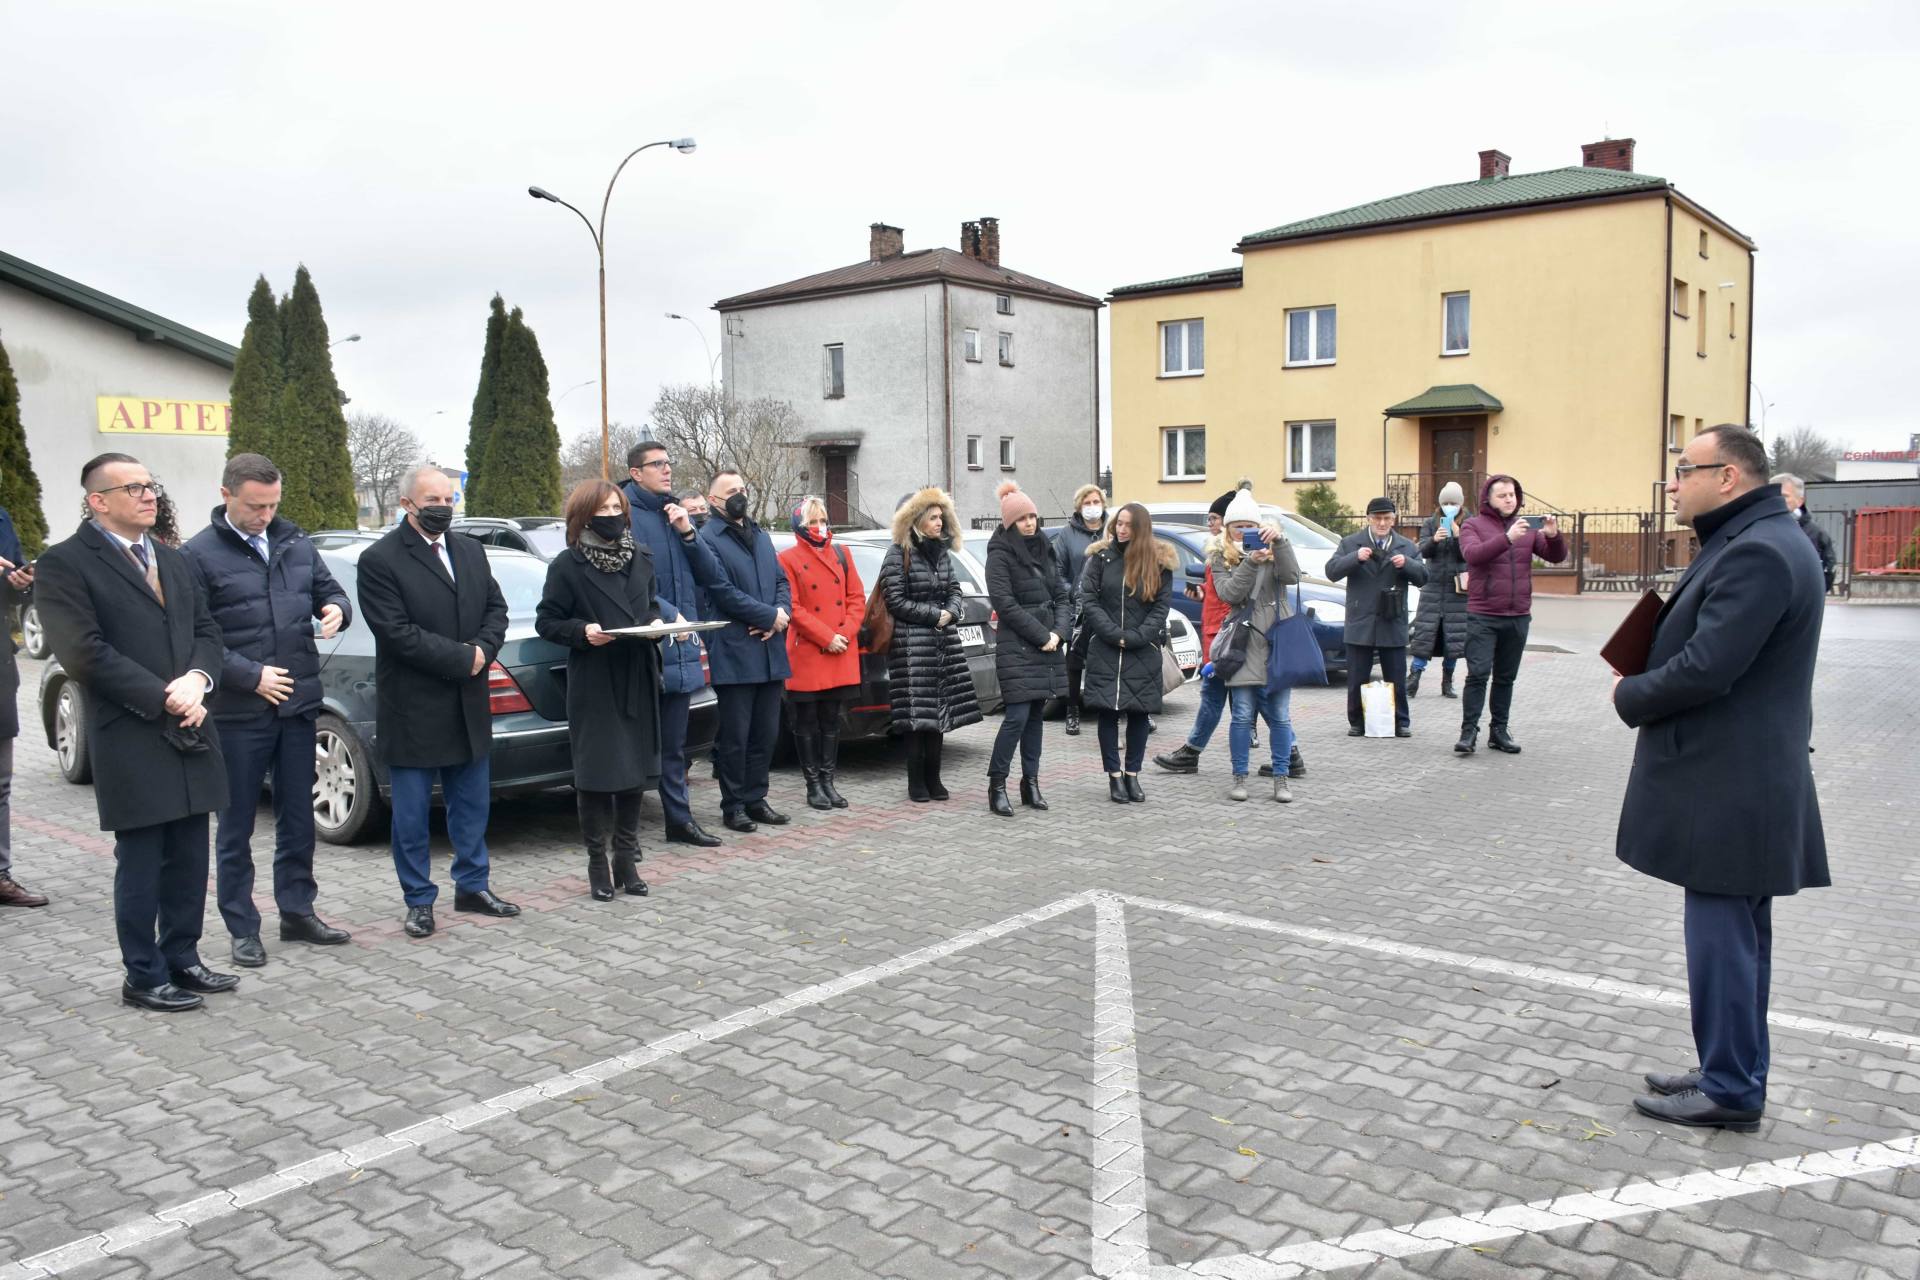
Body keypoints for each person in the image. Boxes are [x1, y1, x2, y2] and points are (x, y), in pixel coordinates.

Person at [1614, 424, 1828, 1132]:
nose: (1674, 484)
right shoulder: (1756, 538)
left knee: (1723, 941)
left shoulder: (1761, 550)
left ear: (1728, 477)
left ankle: (1732, 1089)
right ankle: (1727, 1066)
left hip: (1729, 783)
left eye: (1683, 469)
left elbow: (1710, 667)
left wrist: (1630, 694)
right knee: (1737, 939)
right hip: (1738, 777)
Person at [36, 454, 234, 1010]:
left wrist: (198, 680)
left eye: (151, 486)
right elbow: (83, 651)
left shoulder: (172, 560)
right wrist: (164, 696)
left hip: (191, 725)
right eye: (134, 488)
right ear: (98, 501)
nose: (150, 496)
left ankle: (183, 957)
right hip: (132, 730)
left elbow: (207, 629)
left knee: (191, 854)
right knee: (143, 858)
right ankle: (142, 976)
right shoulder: (65, 564)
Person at [182, 453, 353, 967]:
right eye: (256, 506)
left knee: (299, 818)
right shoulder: (198, 555)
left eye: (273, 505)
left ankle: (298, 912)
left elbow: (332, 591)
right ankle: (241, 926)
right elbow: (197, 635)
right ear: (226, 494)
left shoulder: (296, 542)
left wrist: (336, 609)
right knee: (235, 825)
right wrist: (249, 676)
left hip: (299, 705)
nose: (265, 515)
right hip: (238, 713)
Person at [355, 466, 518, 937]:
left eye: (449, 500)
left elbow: (496, 609)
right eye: (433, 500)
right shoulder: (380, 559)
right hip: (415, 705)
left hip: (467, 700)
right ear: (406, 504)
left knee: (471, 804)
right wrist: (462, 657)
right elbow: (396, 633)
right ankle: (419, 899)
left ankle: (473, 886)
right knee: (410, 814)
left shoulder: (468, 551)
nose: (443, 508)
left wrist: (483, 652)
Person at [536, 480, 663, 901]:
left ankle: (626, 859)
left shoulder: (642, 557)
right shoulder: (567, 565)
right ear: (585, 515)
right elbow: (547, 620)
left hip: (636, 673)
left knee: (633, 773)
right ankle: (597, 863)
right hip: (595, 679)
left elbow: (652, 606)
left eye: (618, 507)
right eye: (604, 508)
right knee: (595, 776)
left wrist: (659, 626)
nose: (612, 515)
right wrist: (582, 631)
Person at [621, 442, 725, 848]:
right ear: (636, 472)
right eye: (657, 464)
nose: (667, 470)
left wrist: (687, 532)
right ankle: (625, 837)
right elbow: (627, 582)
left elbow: (710, 575)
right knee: (634, 745)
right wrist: (665, 616)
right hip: (644, 645)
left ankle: (679, 821)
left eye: (669, 463)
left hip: (680, 646)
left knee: (675, 745)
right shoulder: (623, 514)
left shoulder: (674, 513)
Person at [697, 470, 792, 833]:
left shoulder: (761, 535)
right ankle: (733, 804)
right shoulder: (708, 539)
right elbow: (721, 591)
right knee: (735, 736)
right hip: (736, 651)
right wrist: (768, 615)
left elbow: (781, 581)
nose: (739, 495)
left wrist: (780, 616)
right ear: (714, 501)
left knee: (765, 734)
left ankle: (756, 798)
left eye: (742, 489)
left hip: (770, 650)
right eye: (731, 491)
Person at [1454, 475, 1567, 755]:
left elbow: (1556, 557)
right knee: (1478, 674)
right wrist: (1506, 539)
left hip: (1517, 615)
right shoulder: (1473, 525)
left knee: (1506, 678)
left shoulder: (1527, 528)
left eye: (1512, 495)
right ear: (1488, 499)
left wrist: (1553, 536)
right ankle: (1469, 732)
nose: (1508, 499)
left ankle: (1499, 731)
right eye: (1502, 495)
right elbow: (1472, 555)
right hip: (1483, 614)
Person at [882, 487, 982, 801]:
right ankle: (916, 782)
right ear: (917, 519)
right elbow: (895, 600)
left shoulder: (940, 551)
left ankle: (934, 779)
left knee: (939, 714)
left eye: (942, 516)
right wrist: (933, 615)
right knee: (916, 717)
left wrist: (950, 611)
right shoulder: (898, 552)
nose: (939, 522)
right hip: (911, 647)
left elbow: (954, 588)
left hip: (942, 643)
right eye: (933, 517)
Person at [1206, 489, 1302, 801]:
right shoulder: (1220, 556)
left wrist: (1280, 543)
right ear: (1228, 528)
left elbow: (1292, 576)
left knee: (1280, 716)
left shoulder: (1275, 547)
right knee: (1243, 714)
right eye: (1238, 526)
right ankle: (1239, 777)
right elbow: (1230, 594)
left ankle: (1281, 778)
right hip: (1243, 643)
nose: (1245, 532)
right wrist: (1251, 563)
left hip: (1276, 642)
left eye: (1251, 526)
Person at [983, 481, 1071, 816]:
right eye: (1022, 518)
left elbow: (1062, 596)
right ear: (1009, 522)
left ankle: (1030, 782)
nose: (1030, 523)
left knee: (1035, 717)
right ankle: (997, 783)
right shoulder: (1000, 555)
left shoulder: (1046, 549)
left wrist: (1060, 632)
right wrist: (1042, 635)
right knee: (1017, 717)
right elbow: (1005, 604)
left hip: (1047, 646)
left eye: (1033, 516)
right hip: (1017, 647)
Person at [1079, 503, 1175, 803]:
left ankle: (1133, 775)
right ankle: (1114, 776)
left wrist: (1135, 637)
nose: (1120, 529)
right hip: (1105, 648)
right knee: (1107, 714)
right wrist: (1113, 634)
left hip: (1142, 650)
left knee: (1138, 714)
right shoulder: (1101, 557)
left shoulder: (1159, 563)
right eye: (1118, 523)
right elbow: (1088, 598)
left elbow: (1161, 607)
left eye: (1128, 525)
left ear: (1140, 529)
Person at [777, 496, 864, 811]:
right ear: (800, 525)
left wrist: (844, 633)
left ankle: (828, 780)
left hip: (840, 648)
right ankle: (812, 784)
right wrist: (826, 637)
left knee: (831, 719)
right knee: (806, 721)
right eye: (812, 522)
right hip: (809, 651)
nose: (819, 527)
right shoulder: (787, 558)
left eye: (822, 520)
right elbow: (794, 607)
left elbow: (856, 597)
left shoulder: (843, 552)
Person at [1326, 498, 1427, 738]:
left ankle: (1400, 721)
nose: (1382, 523)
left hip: (1392, 621)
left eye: (1387, 519)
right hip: (1360, 621)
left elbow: (1424, 577)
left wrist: (1408, 564)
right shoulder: (1351, 543)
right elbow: (1331, 571)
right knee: (1357, 677)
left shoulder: (1405, 546)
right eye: (1377, 518)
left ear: (1394, 520)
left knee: (1396, 677)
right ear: (1369, 519)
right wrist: (1355, 558)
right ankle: (1357, 722)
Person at [0, 502, 47, 907]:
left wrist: (18, 581)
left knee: (0, 782)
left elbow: (12, 587)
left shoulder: (1, 515)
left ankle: (0, 876)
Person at [1050, 483, 1107, 736]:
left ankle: (1125, 710)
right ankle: (1072, 711)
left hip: (1109, 608)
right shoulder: (1067, 535)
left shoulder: (1113, 528)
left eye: (1096, 502)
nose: (1092, 507)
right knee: (1074, 661)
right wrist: (1071, 592)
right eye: (1087, 503)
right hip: (1078, 609)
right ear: (1079, 507)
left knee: (1111, 661)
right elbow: (1056, 571)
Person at [1408, 481, 1468, 699]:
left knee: (1453, 637)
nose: (1449, 506)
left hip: (1457, 589)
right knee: (1424, 634)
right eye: (1445, 503)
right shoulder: (1430, 522)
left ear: (1461, 504)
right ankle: (1413, 677)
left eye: (1453, 503)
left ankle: (1447, 681)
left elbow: (1470, 554)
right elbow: (1421, 551)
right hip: (1432, 586)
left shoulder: (1469, 522)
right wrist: (1434, 540)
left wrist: (1459, 535)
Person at [1773, 473, 1836, 593]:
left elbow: (1828, 573)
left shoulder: (1817, 535)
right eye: (1773, 495)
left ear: (1800, 500)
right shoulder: (1755, 529)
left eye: (1784, 496)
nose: (1777, 500)